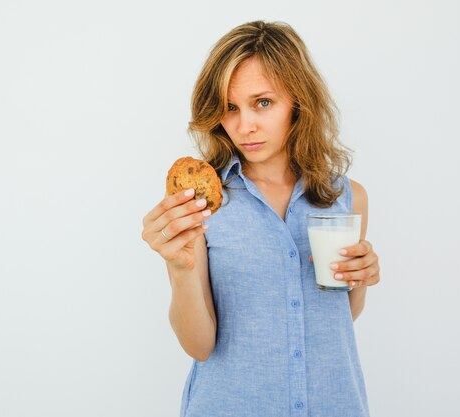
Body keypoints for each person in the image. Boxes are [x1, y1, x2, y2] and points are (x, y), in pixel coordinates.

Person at [141, 20, 381, 417]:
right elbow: (199, 345)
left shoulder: (348, 197)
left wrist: (362, 278)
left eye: (263, 103)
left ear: (298, 102)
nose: (243, 126)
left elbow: (339, 316)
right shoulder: (202, 206)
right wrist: (180, 268)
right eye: (230, 108)